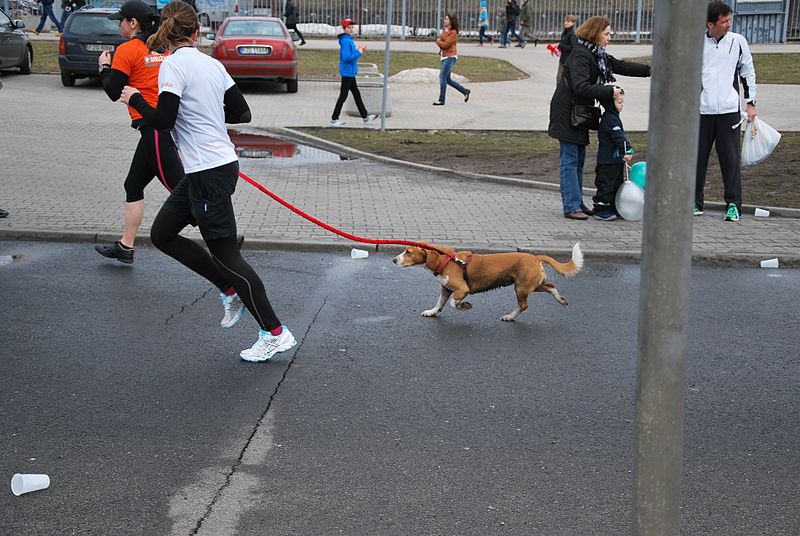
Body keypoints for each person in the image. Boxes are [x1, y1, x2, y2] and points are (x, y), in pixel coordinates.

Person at [120, 0, 297, 362]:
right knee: (162, 234)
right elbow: (241, 112)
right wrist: (205, 109)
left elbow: (163, 120)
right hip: (211, 168)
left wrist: (136, 96)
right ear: (197, 32)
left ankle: (274, 331)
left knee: (228, 255)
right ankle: (228, 289)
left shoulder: (172, 65)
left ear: (165, 33)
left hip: (209, 172)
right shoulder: (212, 64)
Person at [94, 0, 184, 265]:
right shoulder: (162, 47)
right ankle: (125, 247)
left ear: (133, 23)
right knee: (133, 185)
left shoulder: (128, 49)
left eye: (120, 20)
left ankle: (224, 237)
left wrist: (104, 68)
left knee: (181, 191)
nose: (119, 25)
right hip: (160, 126)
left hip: (154, 128)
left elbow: (113, 92)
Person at [547, 15, 650, 220]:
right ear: (595, 34)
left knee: (579, 158)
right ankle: (571, 206)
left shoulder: (597, 55)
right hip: (566, 112)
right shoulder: (581, 55)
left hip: (579, 113)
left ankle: (576, 202)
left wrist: (651, 70)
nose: (609, 37)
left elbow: (620, 65)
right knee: (570, 159)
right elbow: (580, 86)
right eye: (606, 33)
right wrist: (609, 91)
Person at [695, 1, 756, 222]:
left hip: (730, 111)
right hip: (702, 111)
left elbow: (747, 72)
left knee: (730, 160)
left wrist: (750, 103)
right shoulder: (697, 43)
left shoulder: (738, 41)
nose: (728, 24)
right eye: (724, 21)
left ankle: (733, 205)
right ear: (711, 24)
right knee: (697, 158)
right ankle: (694, 201)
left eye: (730, 20)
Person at [592, 88, 633, 221]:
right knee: (606, 185)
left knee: (617, 185)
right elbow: (618, 137)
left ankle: (615, 208)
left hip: (616, 160)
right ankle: (601, 209)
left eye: (622, 102)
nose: (622, 105)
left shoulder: (614, 117)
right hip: (607, 161)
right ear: (611, 104)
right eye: (619, 102)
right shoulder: (610, 119)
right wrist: (628, 149)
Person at [330, 18, 377, 127]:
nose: (351, 29)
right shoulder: (346, 41)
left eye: (352, 27)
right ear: (344, 28)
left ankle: (365, 117)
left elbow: (350, 55)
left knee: (356, 94)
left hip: (350, 72)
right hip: (347, 73)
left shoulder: (348, 39)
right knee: (343, 96)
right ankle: (334, 119)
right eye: (348, 28)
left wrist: (358, 50)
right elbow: (347, 58)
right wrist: (359, 52)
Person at [433, 13, 470, 106]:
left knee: (442, 77)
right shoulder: (445, 30)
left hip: (450, 57)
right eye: (445, 19)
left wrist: (438, 41)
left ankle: (441, 100)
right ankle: (465, 91)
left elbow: (445, 45)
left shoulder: (453, 33)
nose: (445, 20)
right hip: (444, 56)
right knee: (448, 79)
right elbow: (443, 40)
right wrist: (441, 41)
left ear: (451, 21)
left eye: (446, 19)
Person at [556, 14, 577, 83]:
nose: (566, 23)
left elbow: (573, 48)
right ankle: (559, 93)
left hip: (568, 60)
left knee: (562, 79)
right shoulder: (564, 33)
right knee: (559, 78)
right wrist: (558, 49)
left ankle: (561, 93)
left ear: (573, 23)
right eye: (565, 21)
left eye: (568, 21)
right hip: (563, 58)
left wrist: (560, 45)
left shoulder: (572, 34)